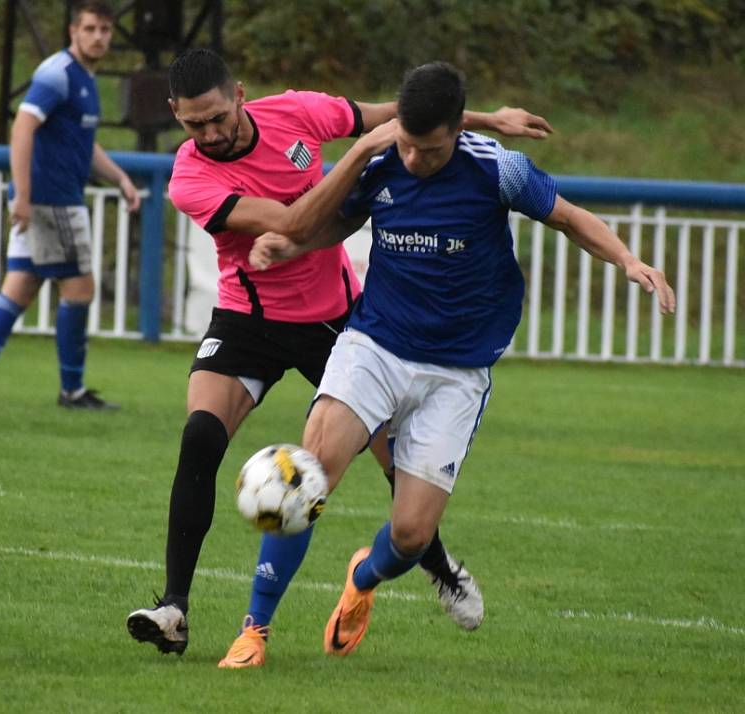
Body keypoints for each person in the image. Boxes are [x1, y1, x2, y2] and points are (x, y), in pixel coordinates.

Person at [124, 47, 555, 667]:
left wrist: (485, 119)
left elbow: (393, 114)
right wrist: (356, 156)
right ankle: (174, 609)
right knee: (199, 436)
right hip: (247, 319)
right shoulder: (190, 175)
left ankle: (437, 565)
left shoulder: (298, 112)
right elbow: (295, 223)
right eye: (194, 124)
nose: (209, 133)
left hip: (334, 319)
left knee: (400, 470)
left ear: (239, 93)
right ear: (174, 115)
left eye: (217, 117)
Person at [249, 61, 677, 657]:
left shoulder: (497, 167)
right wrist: (293, 242)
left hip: (458, 368)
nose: (415, 159)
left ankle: (362, 579)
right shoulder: (382, 160)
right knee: (310, 468)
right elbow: (338, 223)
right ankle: (254, 630)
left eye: (427, 150)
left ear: (455, 131)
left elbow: (569, 218)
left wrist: (627, 260)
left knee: (410, 534)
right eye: (406, 144)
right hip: (375, 344)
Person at [0, 0, 140, 409]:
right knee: (81, 290)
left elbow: (84, 147)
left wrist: (121, 178)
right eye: (90, 28)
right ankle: (72, 391)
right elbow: (22, 127)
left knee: (18, 287)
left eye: (105, 30)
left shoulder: (84, 80)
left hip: (46, 201)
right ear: (73, 31)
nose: (99, 37)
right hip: (51, 202)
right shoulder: (58, 74)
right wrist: (23, 194)